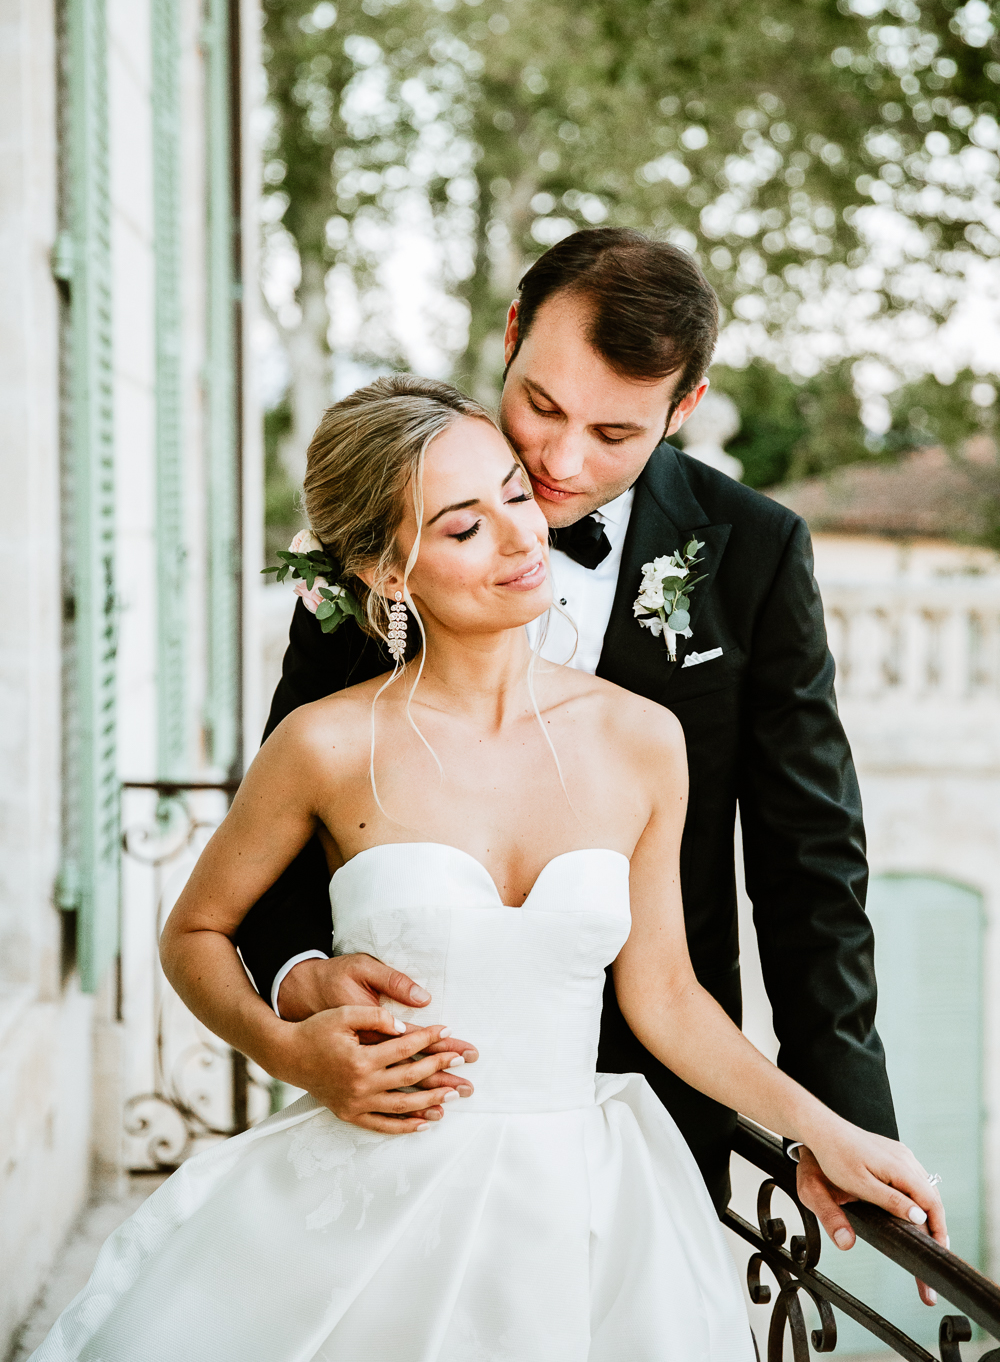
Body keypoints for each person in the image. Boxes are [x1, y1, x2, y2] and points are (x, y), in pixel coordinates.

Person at [31, 378, 945, 1362]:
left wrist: (823, 1128)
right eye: (465, 527)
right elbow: (194, 933)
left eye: (515, 494)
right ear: (388, 573)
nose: (520, 538)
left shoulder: (642, 739)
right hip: (364, 1207)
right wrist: (289, 1051)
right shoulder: (326, 745)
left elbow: (667, 998)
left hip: (581, 1213)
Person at [236, 227, 901, 1255]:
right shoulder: (390, 510)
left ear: (684, 408)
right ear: (511, 333)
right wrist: (298, 986)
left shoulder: (756, 554)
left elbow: (808, 863)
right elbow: (278, 818)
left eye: (614, 432)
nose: (558, 461)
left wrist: (842, 1118)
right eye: (541, 407)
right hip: (405, 1111)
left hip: (656, 1106)